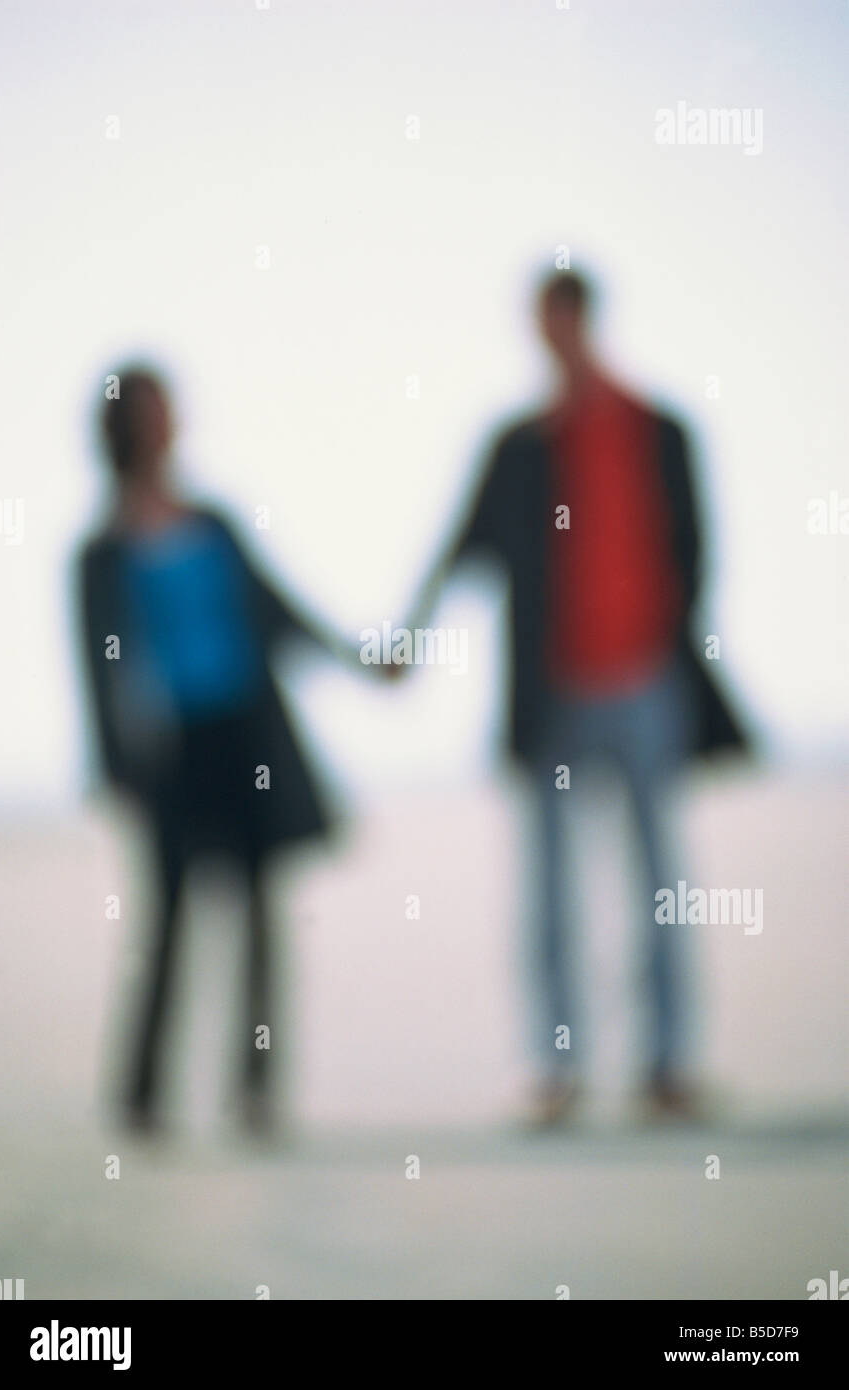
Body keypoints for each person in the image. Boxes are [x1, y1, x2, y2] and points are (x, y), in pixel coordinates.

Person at [406, 270, 746, 1125]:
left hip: (643, 682)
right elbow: (464, 548)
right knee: (551, 891)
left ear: (583, 321)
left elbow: (693, 551)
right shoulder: (521, 445)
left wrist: (670, 642)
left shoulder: (654, 429)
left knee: (659, 881)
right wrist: (408, 639)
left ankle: (666, 1066)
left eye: (559, 321)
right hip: (552, 693)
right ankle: (556, 1071)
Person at [77, 367, 366, 1134]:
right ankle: (142, 1095)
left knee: (259, 918)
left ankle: (256, 1090)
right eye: (151, 411)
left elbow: (277, 611)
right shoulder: (101, 552)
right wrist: (115, 769)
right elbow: (97, 670)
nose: (167, 423)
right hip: (167, 755)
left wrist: (361, 658)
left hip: (245, 739)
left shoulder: (212, 524)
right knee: (167, 920)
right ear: (125, 429)